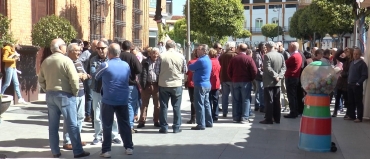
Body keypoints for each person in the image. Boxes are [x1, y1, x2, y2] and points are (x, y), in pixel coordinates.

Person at [38, 38, 90, 158]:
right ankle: (77, 151)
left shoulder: (46, 61)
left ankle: (55, 151)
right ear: (60, 47)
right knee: (72, 124)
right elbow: (73, 78)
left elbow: (41, 80)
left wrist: (47, 89)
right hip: (65, 94)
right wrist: (74, 92)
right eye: (64, 45)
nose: (66, 47)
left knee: (53, 125)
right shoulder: (66, 60)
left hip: (51, 94)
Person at [95, 43, 134, 157]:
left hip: (109, 99)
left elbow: (97, 76)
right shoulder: (126, 65)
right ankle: (129, 147)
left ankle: (106, 150)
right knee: (125, 124)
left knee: (107, 125)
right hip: (123, 99)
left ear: (109, 53)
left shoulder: (105, 65)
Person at [89, 40, 120, 145]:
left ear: (108, 48)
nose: (100, 50)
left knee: (113, 115)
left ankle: (114, 135)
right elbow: (94, 74)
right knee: (97, 115)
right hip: (97, 90)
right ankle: (98, 136)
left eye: (102, 48)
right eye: (98, 48)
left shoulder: (112, 60)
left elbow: (114, 73)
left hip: (109, 91)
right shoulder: (93, 59)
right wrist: (106, 72)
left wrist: (102, 71)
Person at [62, 43, 89, 150]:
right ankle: (67, 141)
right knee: (70, 118)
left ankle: (76, 139)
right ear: (70, 51)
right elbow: (67, 76)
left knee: (80, 117)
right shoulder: (66, 62)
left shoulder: (78, 62)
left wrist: (84, 75)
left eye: (79, 50)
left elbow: (85, 74)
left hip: (81, 92)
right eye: (77, 50)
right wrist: (80, 75)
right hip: (71, 93)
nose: (79, 52)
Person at [158, 40, 187, 133]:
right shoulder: (181, 56)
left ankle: (164, 127)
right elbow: (185, 70)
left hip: (164, 83)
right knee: (176, 107)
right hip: (176, 83)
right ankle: (176, 127)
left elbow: (157, 69)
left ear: (166, 46)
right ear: (174, 46)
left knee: (163, 106)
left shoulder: (161, 56)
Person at [227, 43, 257, 123]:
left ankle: (236, 117)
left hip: (235, 81)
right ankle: (244, 117)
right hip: (246, 81)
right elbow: (254, 71)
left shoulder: (234, 59)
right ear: (246, 50)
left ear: (239, 49)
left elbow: (229, 71)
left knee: (236, 100)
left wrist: (232, 78)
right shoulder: (249, 59)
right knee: (246, 99)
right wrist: (250, 78)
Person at [259, 42, 286, 124]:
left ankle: (269, 119)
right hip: (277, 82)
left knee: (269, 100)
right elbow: (284, 67)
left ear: (268, 47)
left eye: (266, 47)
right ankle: (277, 118)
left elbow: (267, 68)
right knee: (277, 100)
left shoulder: (267, 55)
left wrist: (275, 76)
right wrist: (279, 76)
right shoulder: (280, 55)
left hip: (269, 81)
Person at [120, 40, 142, 133]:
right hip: (130, 84)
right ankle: (129, 126)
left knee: (120, 106)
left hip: (119, 84)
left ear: (122, 47)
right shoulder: (132, 57)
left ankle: (122, 126)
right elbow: (139, 70)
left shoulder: (118, 56)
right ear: (130, 47)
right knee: (130, 105)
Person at [188, 44, 212, 130]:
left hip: (200, 84)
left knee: (199, 105)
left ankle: (201, 124)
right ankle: (209, 122)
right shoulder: (208, 59)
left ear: (204, 51)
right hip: (207, 84)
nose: (197, 51)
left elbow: (191, 67)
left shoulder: (201, 60)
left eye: (199, 49)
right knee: (206, 104)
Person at [137, 47, 161, 128]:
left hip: (156, 85)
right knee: (144, 104)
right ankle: (142, 121)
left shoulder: (160, 61)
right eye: (153, 53)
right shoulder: (145, 61)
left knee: (157, 105)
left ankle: (156, 120)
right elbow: (140, 73)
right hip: (146, 85)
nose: (155, 55)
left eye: (157, 54)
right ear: (150, 54)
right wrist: (141, 83)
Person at [346, 47, 368, 122]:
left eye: (357, 54)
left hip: (357, 85)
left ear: (360, 54)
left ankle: (359, 117)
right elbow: (349, 73)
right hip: (350, 84)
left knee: (358, 101)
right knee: (351, 101)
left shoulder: (362, 64)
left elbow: (364, 75)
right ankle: (352, 115)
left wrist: (358, 83)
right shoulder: (352, 63)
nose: (355, 55)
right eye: (354, 54)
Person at [80, 40, 98, 123]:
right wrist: (84, 72)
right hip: (89, 77)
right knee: (90, 96)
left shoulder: (98, 55)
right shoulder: (87, 53)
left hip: (94, 77)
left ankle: (92, 114)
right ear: (92, 46)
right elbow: (79, 61)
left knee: (93, 97)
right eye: (95, 46)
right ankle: (88, 115)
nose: (97, 48)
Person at [218, 42, 238, 117]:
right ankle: (234, 113)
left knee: (224, 96)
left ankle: (224, 112)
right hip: (232, 78)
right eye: (234, 47)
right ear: (232, 48)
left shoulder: (222, 56)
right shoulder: (234, 55)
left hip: (224, 78)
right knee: (234, 97)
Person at [283, 42, 302, 119]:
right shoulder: (298, 55)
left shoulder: (293, 56)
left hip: (291, 77)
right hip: (295, 77)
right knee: (294, 95)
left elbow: (285, 64)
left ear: (292, 47)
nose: (288, 48)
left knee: (291, 95)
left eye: (289, 46)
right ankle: (295, 111)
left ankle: (293, 112)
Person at [208, 48, 221, 121]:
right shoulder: (217, 62)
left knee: (209, 100)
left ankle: (209, 114)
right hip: (216, 82)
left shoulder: (208, 62)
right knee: (216, 99)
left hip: (209, 82)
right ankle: (215, 115)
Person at [185, 50, 198, 124]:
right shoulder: (203, 61)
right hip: (199, 83)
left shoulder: (191, 62)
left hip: (191, 83)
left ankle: (193, 118)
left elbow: (187, 72)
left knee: (192, 101)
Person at [253, 42, 266, 112]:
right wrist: (262, 74)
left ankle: (257, 105)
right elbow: (258, 67)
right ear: (261, 48)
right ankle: (262, 106)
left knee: (258, 91)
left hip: (260, 75)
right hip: (259, 76)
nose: (265, 49)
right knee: (261, 91)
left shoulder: (262, 54)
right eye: (264, 48)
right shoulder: (257, 55)